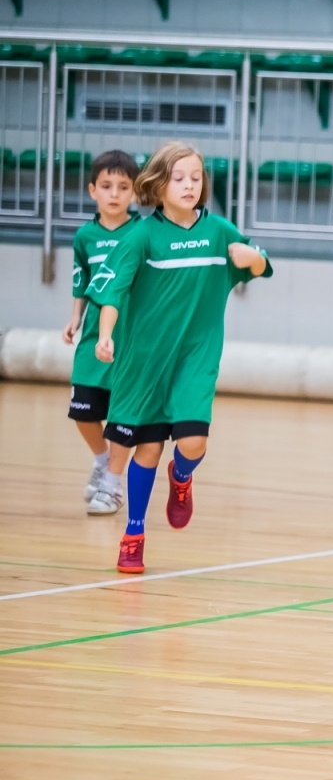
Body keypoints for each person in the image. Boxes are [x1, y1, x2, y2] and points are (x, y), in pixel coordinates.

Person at [90, 142, 271, 574]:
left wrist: (256, 259)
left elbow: (260, 264)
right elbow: (112, 293)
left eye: (196, 177)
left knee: (193, 442)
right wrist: (105, 335)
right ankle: (133, 534)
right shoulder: (141, 236)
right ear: (158, 183)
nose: (190, 185)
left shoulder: (219, 232)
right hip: (147, 362)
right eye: (179, 178)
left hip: (195, 358)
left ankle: (183, 476)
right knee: (147, 448)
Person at [61, 149, 140, 516]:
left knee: (123, 413)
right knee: (82, 409)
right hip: (94, 336)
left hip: (131, 337)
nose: (114, 193)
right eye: (106, 186)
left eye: (123, 187)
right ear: (93, 190)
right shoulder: (85, 236)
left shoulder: (142, 233)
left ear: (135, 192)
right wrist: (75, 318)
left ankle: (113, 484)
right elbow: (81, 280)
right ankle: (101, 458)